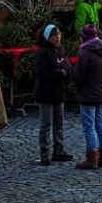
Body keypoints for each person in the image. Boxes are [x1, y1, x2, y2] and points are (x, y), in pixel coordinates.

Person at [74, 24, 102, 169]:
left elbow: (78, 76)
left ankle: (92, 158)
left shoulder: (85, 54)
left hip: (88, 95)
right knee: (100, 124)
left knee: (89, 126)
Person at [33, 23, 73, 166]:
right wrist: (58, 71)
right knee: (46, 124)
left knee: (59, 122)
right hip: (46, 93)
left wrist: (65, 71)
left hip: (59, 92)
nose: (57, 37)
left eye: (58, 34)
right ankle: (45, 153)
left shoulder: (61, 50)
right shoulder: (42, 52)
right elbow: (41, 73)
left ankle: (59, 150)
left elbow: (68, 66)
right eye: (54, 35)